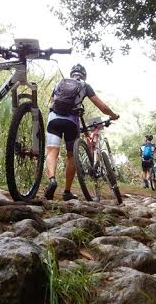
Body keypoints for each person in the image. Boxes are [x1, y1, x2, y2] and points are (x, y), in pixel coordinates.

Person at [44, 64, 119, 201]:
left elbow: (53, 101)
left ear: (72, 73)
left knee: (51, 152)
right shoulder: (85, 85)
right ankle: (67, 191)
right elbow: (102, 107)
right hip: (71, 122)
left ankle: (52, 180)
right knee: (71, 156)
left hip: (54, 119)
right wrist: (113, 115)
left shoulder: (59, 82)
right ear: (84, 75)